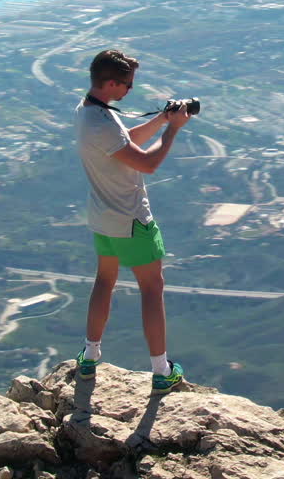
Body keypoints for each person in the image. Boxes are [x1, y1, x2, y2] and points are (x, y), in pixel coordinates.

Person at [74, 49, 190, 394]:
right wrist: (174, 132)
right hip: (131, 220)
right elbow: (148, 163)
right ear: (111, 83)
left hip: (102, 217)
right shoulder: (101, 122)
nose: (129, 90)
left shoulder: (88, 112)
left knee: (104, 281)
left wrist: (161, 120)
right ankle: (161, 370)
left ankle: (89, 355)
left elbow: (127, 142)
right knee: (152, 289)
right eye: (126, 85)